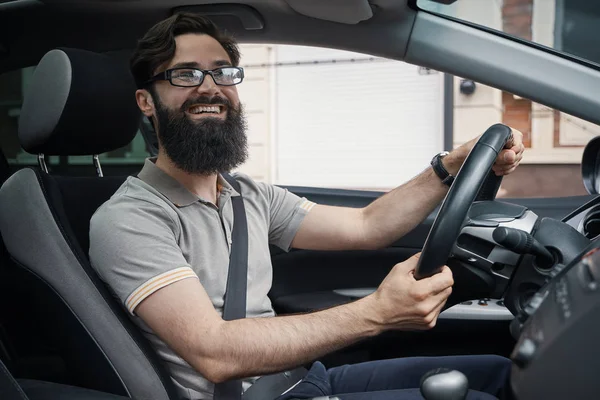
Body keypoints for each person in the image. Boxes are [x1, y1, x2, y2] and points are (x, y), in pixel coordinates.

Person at [89, 12, 524, 400]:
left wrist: (449, 166)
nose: (211, 88)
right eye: (185, 75)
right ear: (147, 102)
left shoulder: (249, 197)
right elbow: (214, 352)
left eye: (223, 73)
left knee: (502, 374)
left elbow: (367, 226)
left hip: (298, 380)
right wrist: (376, 313)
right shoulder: (130, 218)